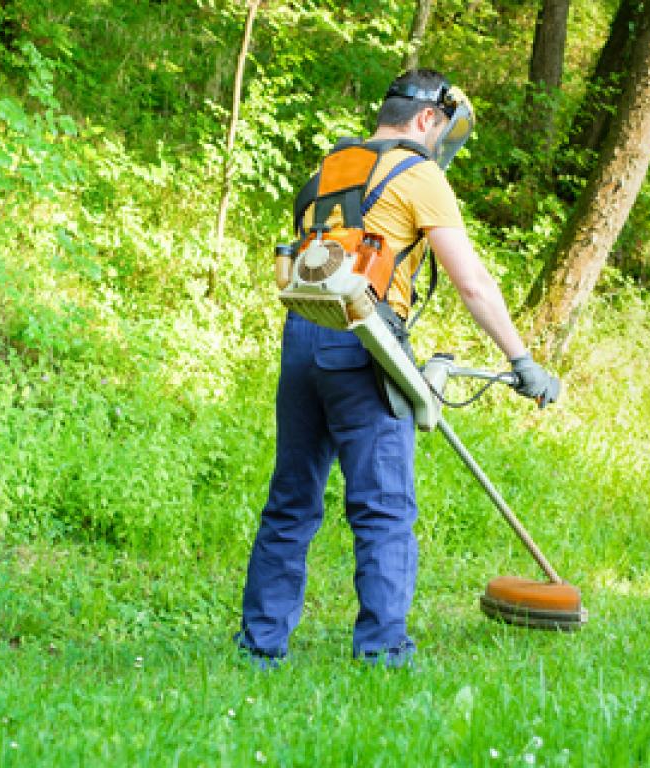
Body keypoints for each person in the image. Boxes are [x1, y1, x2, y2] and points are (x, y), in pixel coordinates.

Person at [235, 69, 560, 668]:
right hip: (363, 342)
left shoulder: (329, 171)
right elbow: (471, 282)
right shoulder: (420, 174)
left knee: (292, 502)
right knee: (383, 506)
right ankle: (382, 654)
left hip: (303, 337)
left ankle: (259, 648)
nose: (441, 146)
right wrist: (522, 359)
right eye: (443, 133)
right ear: (427, 120)